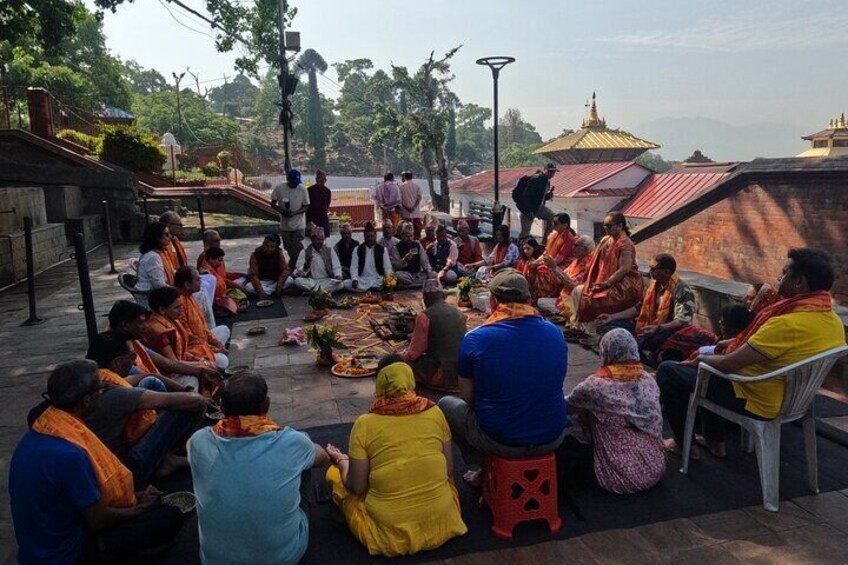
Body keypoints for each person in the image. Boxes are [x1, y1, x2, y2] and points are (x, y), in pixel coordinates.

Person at [657, 248, 847, 459]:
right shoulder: (832, 321)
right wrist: (729, 343)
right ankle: (714, 441)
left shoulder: (785, 323)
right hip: (795, 399)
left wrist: (701, 358)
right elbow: (775, 346)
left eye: (784, 273)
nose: (778, 278)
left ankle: (683, 444)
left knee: (671, 371)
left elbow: (728, 365)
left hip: (758, 397)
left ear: (799, 282)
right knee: (708, 369)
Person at [9, 360, 185, 564]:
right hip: (67, 554)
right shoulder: (69, 453)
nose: (103, 395)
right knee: (168, 517)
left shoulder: (43, 428)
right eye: (101, 391)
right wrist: (142, 508)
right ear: (86, 401)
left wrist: (136, 497)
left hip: (40, 543)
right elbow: (99, 520)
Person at [325, 356, 467, 556]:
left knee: (336, 479)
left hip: (387, 534)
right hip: (443, 520)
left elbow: (357, 486)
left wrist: (341, 461)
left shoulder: (364, 424)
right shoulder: (435, 411)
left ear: (379, 384)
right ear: (410, 380)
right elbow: (449, 471)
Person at [438, 269, 569, 477]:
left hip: (500, 439)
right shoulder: (554, 332)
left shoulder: (476, 338)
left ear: (492, 302)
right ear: (529, 299)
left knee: (445, 404)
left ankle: (481, 467)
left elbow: (467, 397)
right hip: (553, 435)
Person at [188, 372, 330, 565]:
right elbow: (322, 458)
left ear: (222, 407)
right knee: (304, 455)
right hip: (283, 558)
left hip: (215, 560)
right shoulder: (292, 442)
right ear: (266, 405)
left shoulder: (198, 441)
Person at [85, 333, 207, 487]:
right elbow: (194, 401)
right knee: (193, 404)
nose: (135, 360)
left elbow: (144, 378)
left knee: (151, 381)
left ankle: (166, 455)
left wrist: (183, 387)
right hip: (129, 466)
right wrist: (198, 396)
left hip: (112, 453)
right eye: (132, 356)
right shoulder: (116, 394)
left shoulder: (96, 380)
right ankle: (165, 459)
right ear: (116, 363)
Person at [563, 329, 665, 494]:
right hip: (655, 467)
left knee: (567, 439)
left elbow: (564, 408)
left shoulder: (595, 387)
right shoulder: (648, 380)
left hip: (619, 476)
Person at [594, 253, 696, 360]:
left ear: (667, 272)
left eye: (654, 269)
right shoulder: (653, 284)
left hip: (665, 331)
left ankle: (638, 359)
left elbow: (681, 321)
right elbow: (638, 308)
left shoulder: (681, 289)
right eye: (650, 268)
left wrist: (658, 328)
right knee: (608, 326)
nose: (649, 272)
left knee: (634, 342)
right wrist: (612, 317)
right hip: (646, 326)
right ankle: (638, 355)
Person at [108, 300, 217, 392]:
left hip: (155, 382)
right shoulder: (117, 347)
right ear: (125, 325)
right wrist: (185, 392)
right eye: (140, 323)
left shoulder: (133, 341)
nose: (145, 326)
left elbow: (165, 362)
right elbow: (149, 376)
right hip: (140, 395)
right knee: (191, 380)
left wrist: (202, 369)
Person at [575, 212, 643, 329]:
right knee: (580, 291)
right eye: (604, 226)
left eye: (609, 226)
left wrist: (607, 284)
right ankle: (584, 328)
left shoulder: (626, 244)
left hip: (624, 286)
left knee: (595, 299)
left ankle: (594, 330)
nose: (606, 228)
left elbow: (624, 269)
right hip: (607, 281)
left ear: (620, 226)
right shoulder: (607, 240)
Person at [404, 279, 467, 391]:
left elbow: (414, 352)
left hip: (440, 372)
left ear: (425, 297)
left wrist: (403, 356)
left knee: (403, 363)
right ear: (442, 295)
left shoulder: (425, 316)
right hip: (462, 370)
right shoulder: (459, 312)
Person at [160, 211, 217, 318]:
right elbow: (171, 271)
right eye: (179, 225)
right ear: (168, 226)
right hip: (179, 281)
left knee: (210, 279)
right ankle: (201, 315)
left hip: (185, 275)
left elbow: (183, 263)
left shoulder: (175, 240)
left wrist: (195, 271)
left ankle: (206, 310)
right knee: (203, 288)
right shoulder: (164, 247)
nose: (182, 227)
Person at [174, 266, 230, 369]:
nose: (201, 281)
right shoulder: (179, 303)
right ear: (187, 285)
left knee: (224, 329)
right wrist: (212, 348)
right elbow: (188, 337)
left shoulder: (190, 296)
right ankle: (213, 358)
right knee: (223, 361)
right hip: (192, 348)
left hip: (202, 341)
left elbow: (204, 326)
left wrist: (215, 342)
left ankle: (215, 354)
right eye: (197, 279)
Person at [537, 235, 594, 320]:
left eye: (576, 245)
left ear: (585, 249)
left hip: (576, 300)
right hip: (564, 297)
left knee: (542, 303)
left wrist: (555, 267)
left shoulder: (589, 264)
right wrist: (551, 268)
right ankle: (564, 313)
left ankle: (567, 314)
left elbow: (574, 284)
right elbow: (563, 277)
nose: (573, 247)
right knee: (541, 301)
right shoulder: (576, 261)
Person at [526, 213, 577, 301]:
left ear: (565, 225)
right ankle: (533, 296)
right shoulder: (554, 235)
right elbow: (546, 252)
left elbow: (559, 259)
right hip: (550, 261)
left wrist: (542, 263)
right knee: (530, 266)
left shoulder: (570, 239)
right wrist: (536, 262)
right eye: (553, 223)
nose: (553, 225)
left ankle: (545, 297)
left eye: (556, 223)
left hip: (563, 265)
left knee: (542, 271)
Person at [271, 168, 310, 266]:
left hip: (299, 225)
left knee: (297, 247)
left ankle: (292, 267)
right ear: (288, 179)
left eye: (297, 182)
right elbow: (273, 203)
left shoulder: (302, 189)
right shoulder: (279, 188)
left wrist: (295, 213)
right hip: (285, 225)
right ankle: (296, 265)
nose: (295, 184)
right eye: (293, 181)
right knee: (288, 247)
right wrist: (282, 211)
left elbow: (306, 206)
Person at [292, 226, 344, 293]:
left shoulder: (329, 250)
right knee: (298, 281)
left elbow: (336, 266)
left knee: (341, 285)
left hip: (326, 280)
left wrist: (338, 276)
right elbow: (299, 271)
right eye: (318, 239)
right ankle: (322, 292)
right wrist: (305, 267)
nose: (320, 242)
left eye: (322, 239)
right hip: (311, 281)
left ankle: (314, 292)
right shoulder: (305, 252)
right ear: (312, 239)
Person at [135, 222, 175, 308]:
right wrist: (178, 290)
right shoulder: (152, 257)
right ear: (157, 238)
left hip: (161, 294)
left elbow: (171, 272)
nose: (170, 237)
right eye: (167, 234)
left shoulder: (160, 253)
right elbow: (159, 285)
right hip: (152, 299)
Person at [345, 222, 393, 293]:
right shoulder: (357, 249)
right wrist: (354, 279)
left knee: (391, 281)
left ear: (375, 236)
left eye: (372, 236)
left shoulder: (382, 249)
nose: (370, 238)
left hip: (378, 279)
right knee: (346, 283)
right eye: (368, 236)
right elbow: (353, 267)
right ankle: (373, 289)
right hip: (363, 280)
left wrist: (388, 279)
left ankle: (368, 289)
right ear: (364, 237)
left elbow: (387, 267)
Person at [516, 163, 557, 239]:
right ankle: (520, 247)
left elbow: (540, 197)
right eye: (550, 171)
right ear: (545, 170)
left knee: (554, 218)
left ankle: (546, 240)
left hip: (538, 208)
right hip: (528, 209)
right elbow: (526, 196)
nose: (552, 174)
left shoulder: (547, 182)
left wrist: (548, 196)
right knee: (525, 233)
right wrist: (528, 211)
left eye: (553, 172)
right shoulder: (537, 179)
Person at [245, 234, 293, 299]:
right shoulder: (255, 255)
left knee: (290, 280)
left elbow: (286, 270)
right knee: (248, 287)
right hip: (261, 281)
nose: (269, 249)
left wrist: (279, 285)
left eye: (272, 247)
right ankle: (271, 292)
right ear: (263, 244)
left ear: (275, 247)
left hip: (275, 281)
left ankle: (268, 292)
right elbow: (253, 275)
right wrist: (260, 290)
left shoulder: (278, 253)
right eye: (267, 246)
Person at [391, 222, 432, 288]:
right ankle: (416, 284)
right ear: (402, 235)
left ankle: (409, 285)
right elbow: (396, 266)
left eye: (411, 236)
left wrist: (429, 272)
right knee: (396, 275)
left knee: (432, 274)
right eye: (407, 236)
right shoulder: (396, 248)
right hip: (405, 275)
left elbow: (424, 261)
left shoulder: (417, 245)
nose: (409, 238)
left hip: (417, 275)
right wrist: (405, 260)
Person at [307, 169, 332, 237]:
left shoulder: (327, 191)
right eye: (319, 180)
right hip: (312, 218)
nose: (320, 182)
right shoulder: (310, 190)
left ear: (325, 180)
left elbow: (327, 204)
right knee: (313, 237)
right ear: (316, 179)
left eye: (322, 180)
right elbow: (307, 205)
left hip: (323, 217)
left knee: (325, 237)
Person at [399, 171, 423, 239]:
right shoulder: (417, 186)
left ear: (404, 177)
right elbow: (419, 198)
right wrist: (414, 207)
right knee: (417, 234)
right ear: (412, 177)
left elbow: (399, 201)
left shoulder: (401, 187)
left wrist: (407, 208)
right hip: (416, 213)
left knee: (405, 233)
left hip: (405, 214)